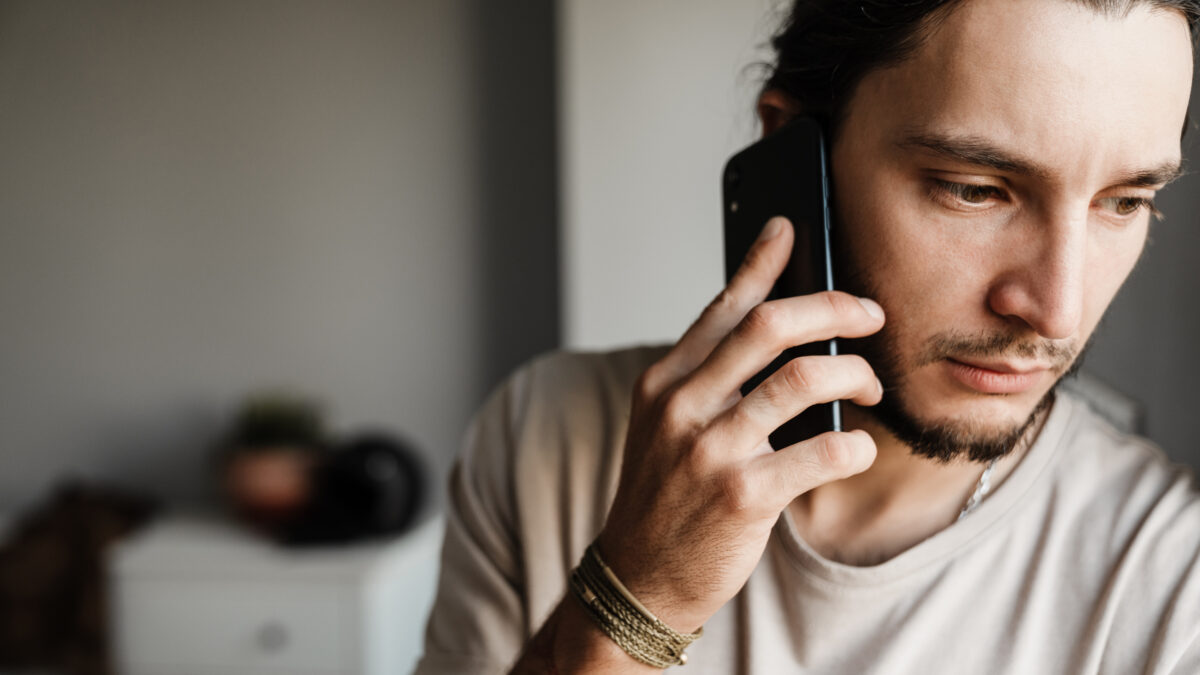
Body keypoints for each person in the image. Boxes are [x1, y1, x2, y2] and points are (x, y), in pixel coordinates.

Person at [416, 0, 1200, 672]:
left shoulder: (1173, 577)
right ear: (792, 154)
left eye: (1125, 202)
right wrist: (634, 598)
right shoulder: (544, 436)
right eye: (974, 189)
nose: (1056, 311)